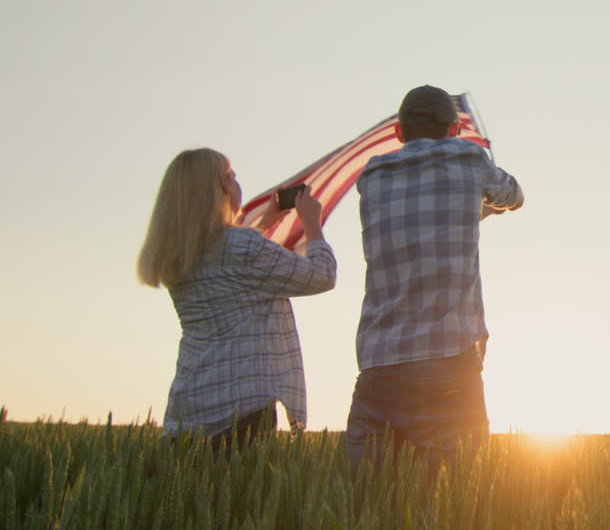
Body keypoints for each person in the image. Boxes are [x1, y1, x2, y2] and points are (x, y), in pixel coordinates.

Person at [346, 84, 523, 472]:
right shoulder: (469, 158)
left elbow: (415, 229)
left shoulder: (372, 176)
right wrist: (485, 197)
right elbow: (513, 195)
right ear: (455, 129)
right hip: (448, 363)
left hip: (378, 364)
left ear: (399, 133)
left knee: (368, 505)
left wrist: (469, 212)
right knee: (456, 506)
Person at [137, 148, 337, 454]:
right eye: (230, 175)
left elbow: (232, 274)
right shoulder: (241, 246)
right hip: (241, 413)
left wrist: (266, 224)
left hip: (186, 411)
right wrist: (312, 224)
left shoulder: (177, 252)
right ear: (219, 189)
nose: (236, 181)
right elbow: (322, 276)